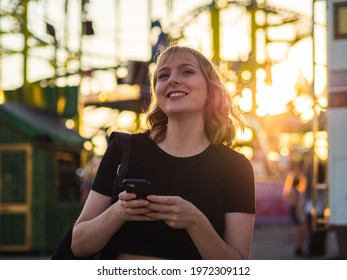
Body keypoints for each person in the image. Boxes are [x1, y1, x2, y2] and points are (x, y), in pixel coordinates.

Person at [71, 45, 256, 260]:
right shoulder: (123, 149)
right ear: (157, 93)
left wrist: (194, 221)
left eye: (186, 71)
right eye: (163, 75)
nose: (172, 80)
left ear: (210, 91)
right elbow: (78, 245)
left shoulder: (236, 167)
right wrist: (118, 212)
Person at [283, 159, 307, 256]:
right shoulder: (294, 191)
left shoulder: (292, 189)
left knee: (299, 230)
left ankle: (298, 248)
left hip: (295, 210)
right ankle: (298, 248)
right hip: (296, 211)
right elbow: (295, 203)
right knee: (299, 230)